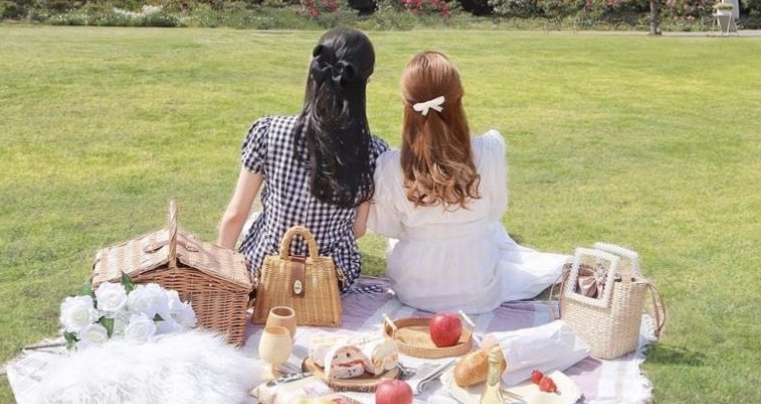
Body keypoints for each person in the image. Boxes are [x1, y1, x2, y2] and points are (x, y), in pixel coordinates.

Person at [367, 50, 567, 314]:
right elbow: (494, 212)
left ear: (407, 105)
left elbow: (387, 227)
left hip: (414, 292)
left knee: (405, 242)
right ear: (458, 98)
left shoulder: (390, 165)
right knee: (493, 233)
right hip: (478, 292)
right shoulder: (489, 150)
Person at [217, 28, 387, 290]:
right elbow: (357, 229)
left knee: (255, 219)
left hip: (265, 272)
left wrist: (221, 277)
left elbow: (234, 216)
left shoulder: (268, 130)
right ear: (366, 80)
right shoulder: (373, 150)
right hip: (328, 281)